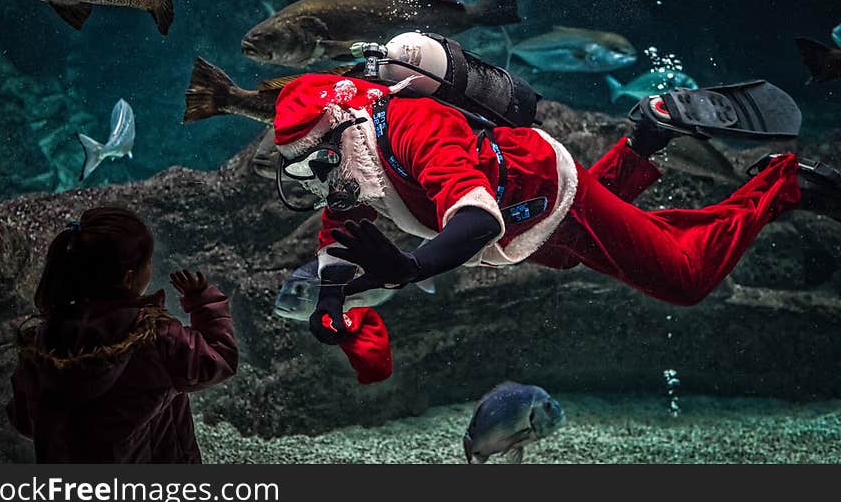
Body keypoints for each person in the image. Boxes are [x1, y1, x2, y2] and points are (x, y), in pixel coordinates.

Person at [270, 74, 841, 345]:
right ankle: (646, 137)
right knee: (575, 257)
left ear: (343, 135)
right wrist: (329, 305)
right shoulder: (352, 169)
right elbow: (336, 244)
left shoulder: (417, 127)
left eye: (316, 163)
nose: (319, 183)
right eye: (301, 173)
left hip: (546, 191)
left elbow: (476, 220)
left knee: (684, 278)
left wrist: (412, 268)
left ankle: (785, 181)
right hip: (531, 227)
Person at [6, 206, 237, 463]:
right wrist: (203, 304)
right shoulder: (156, 339)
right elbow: (219, 359)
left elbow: (24, 420)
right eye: (148, 261)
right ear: (129, 278)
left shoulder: (41, 343)